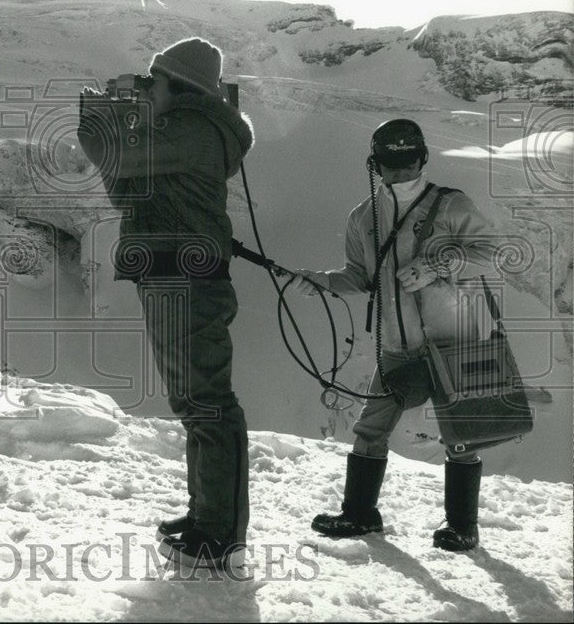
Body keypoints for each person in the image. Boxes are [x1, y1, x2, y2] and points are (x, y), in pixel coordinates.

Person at [77, 38, 255, 568]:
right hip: (168, 276)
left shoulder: (194, 128)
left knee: (208, 404)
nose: (146, 89)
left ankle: (220, 532)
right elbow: (125, 189)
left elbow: (110, 154)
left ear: (177, 85)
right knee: (193, 405)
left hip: (187, 280)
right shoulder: (178, 131)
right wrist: (113, 132)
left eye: (152, 81)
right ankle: (206, 516)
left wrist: (99, 122)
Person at [291, 118, 496, 551]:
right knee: (370, 428)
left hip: (454, 342)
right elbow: (360, 276)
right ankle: (360, 515)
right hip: (399, 347)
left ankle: (463, 526)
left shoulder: (452, 204)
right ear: (376, 165)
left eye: (407, 159)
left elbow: (488, 254)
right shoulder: (363, 217)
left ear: (422, 158)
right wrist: (322, 282)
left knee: (460, 434)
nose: (399, 169)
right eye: (390, 161)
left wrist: (440, 265)